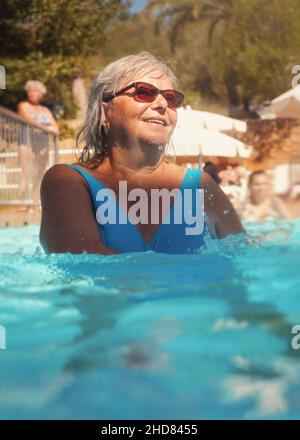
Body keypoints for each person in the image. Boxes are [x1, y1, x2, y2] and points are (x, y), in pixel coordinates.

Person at [40, 52, 244, 255]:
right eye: (144, 92)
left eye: (171, 99)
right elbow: (82, 262)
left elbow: (247, 259)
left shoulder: (200, 186)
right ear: (105, 111)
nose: (162, 104)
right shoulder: (68, 181)